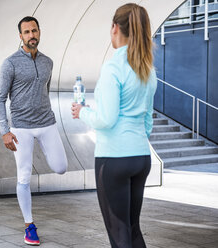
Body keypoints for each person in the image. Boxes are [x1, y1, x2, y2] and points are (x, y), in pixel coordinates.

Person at [71, 3, 157, 248]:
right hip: (141, 156)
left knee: (119, 235)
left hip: (114, 159)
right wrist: (135, 140)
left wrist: (83, 111)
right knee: (132, 229)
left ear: (115, 28)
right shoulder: (148, 70)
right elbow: (148, 120)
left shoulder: (113, 67)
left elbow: (106, 119)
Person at [0, 16, 68, 246]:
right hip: (21, 128)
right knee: (24, 176)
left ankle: (44, 150)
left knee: (61, 167)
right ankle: (29, 226)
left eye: (34, 31)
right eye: (26, 32)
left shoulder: (48, 62)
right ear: (20, 36)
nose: (31, 35)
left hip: (47, 122)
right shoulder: (10, 63)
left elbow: (45, 90)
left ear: (39, 32)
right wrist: (5, 131)